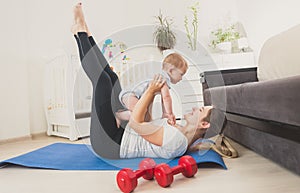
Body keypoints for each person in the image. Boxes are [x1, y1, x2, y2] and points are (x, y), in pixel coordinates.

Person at [72, 3, 212, 159]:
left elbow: (135, 123)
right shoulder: (177, 131)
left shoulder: (177, 141)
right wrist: (149, 96)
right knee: (112, 78)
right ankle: (86, 34)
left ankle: (80, 33)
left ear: (204, 124)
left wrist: (151, 91)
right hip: (121, 133)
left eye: (200, 110)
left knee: (102, 82)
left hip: (111, 143)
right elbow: (145, 123)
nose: (194, 108)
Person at [119, 52, 188, 125]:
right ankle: (120, 115)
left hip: (131, 94)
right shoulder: (163, 79)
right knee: (138, 113)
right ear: (171, 71)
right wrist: (170, 113)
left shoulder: (160, 76)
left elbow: (163, 100)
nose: (181, 78)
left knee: (143, 116)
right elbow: (166, 98)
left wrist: (165, 114)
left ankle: (123, 114)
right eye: (181, 74)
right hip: (131, 94)